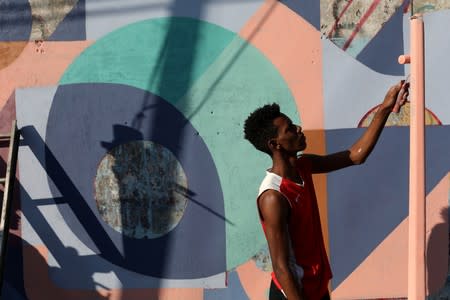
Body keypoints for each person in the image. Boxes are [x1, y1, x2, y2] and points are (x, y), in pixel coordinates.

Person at [243, 81, 409, 300]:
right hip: (294, 294)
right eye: (290, 129)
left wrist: (385, 109)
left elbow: (356, 155)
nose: (298, 129)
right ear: (276, 144)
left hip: (317, 289)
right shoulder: (273, 196)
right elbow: (282, 268)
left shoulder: (303, 166)